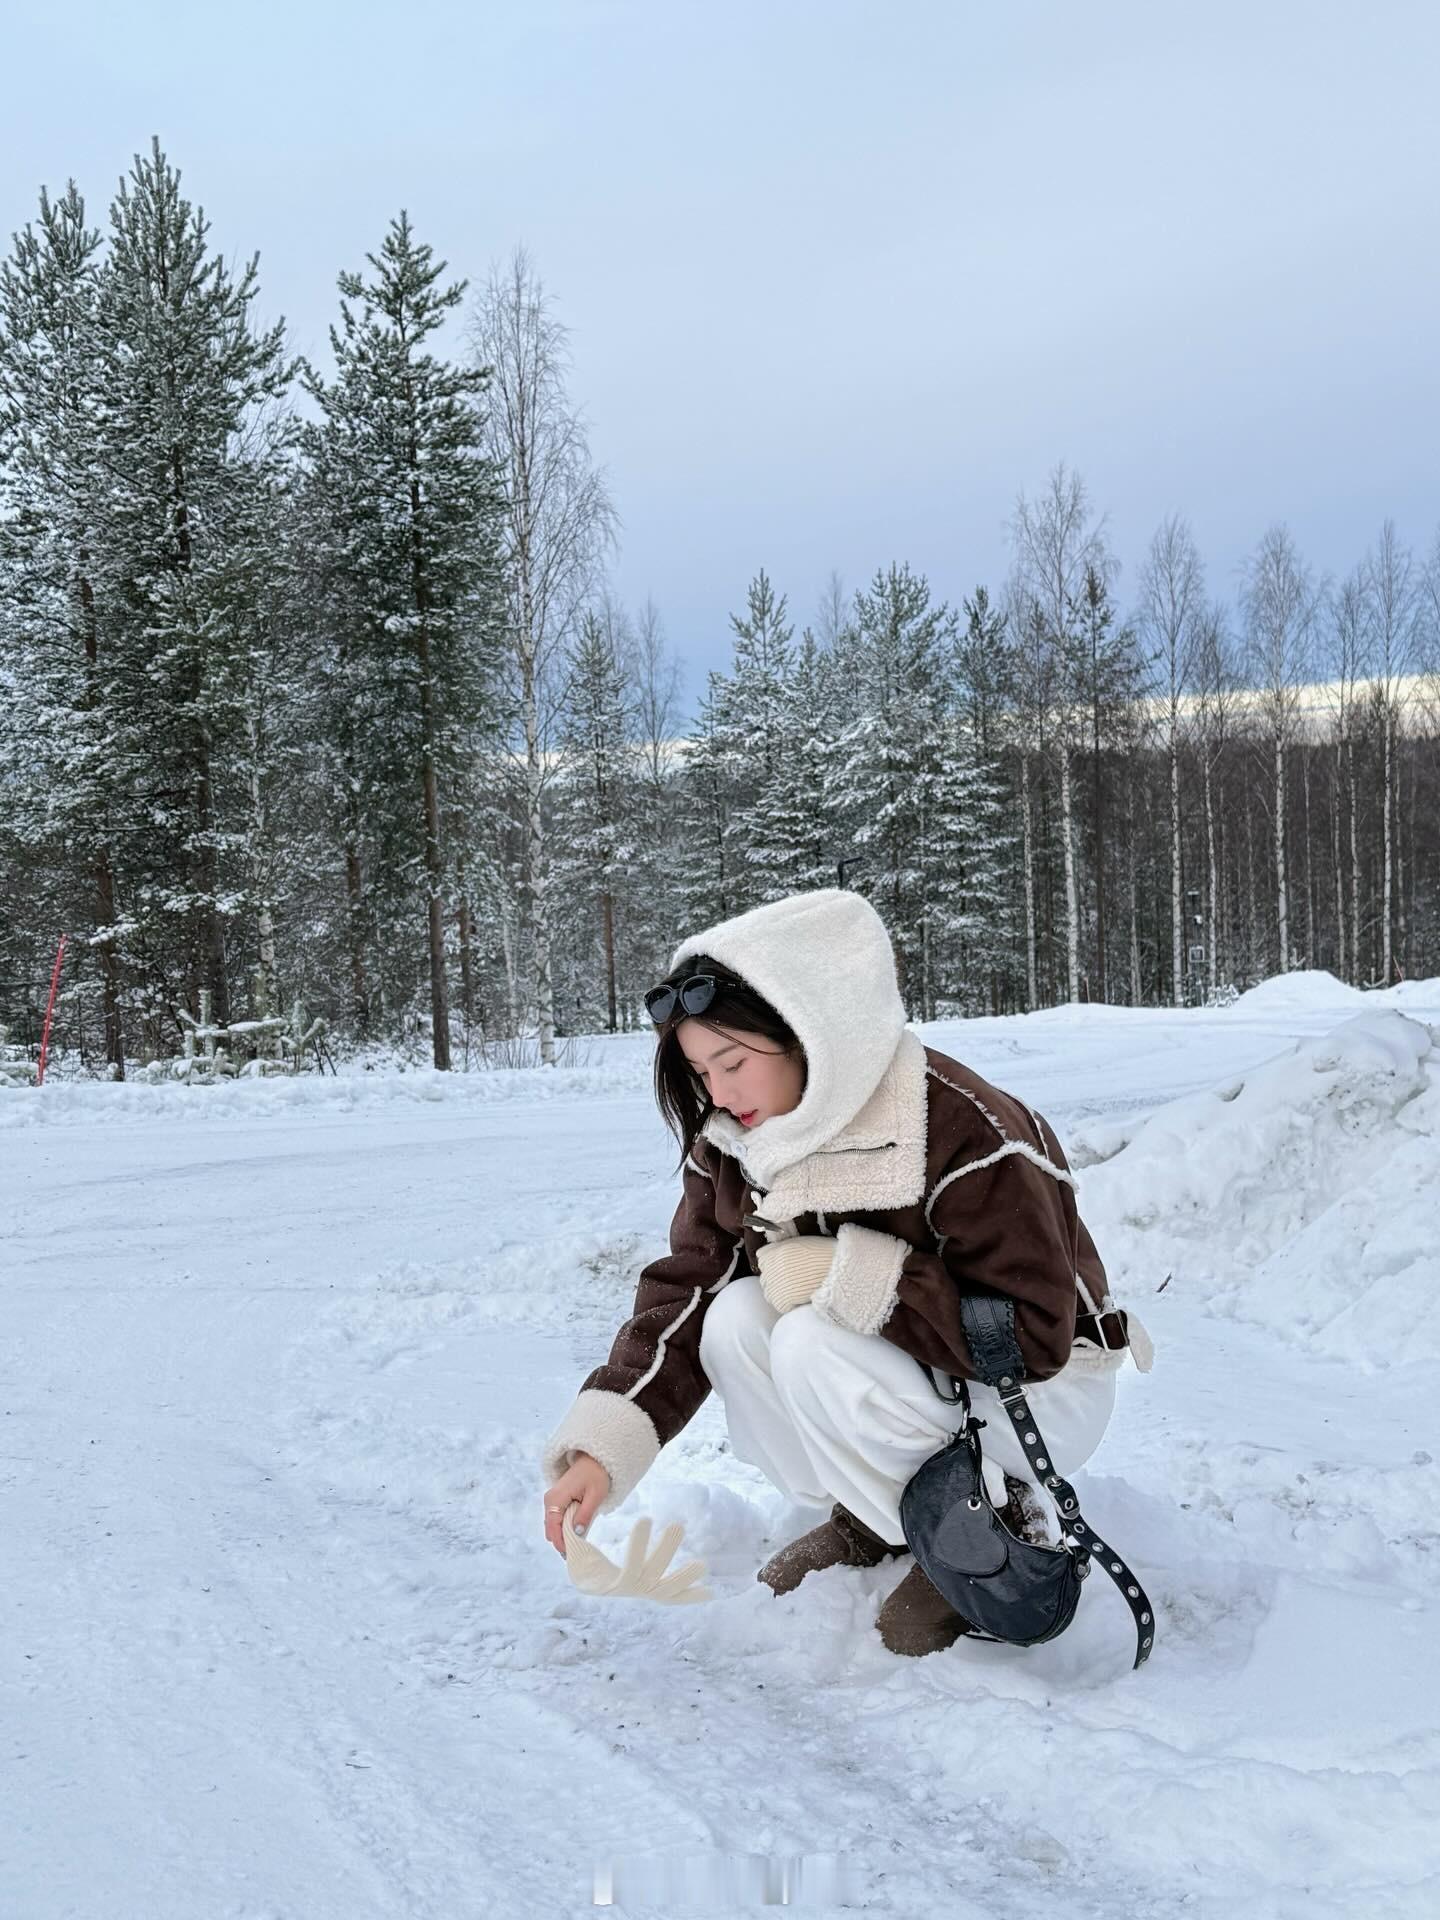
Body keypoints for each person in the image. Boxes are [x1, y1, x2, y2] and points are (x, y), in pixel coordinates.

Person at [539, 887, 1149, 1656]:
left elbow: (1032, 1337)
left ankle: (990, 1523)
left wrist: (853, 1276)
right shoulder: (735, 1141)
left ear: (807, 1032)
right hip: (923, 1378)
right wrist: (604, 1448)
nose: (719, 1094)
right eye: (699, 1071)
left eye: (734, 1062)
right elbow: (688, 1292)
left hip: (1039, 1396)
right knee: (735, 1319)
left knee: (808, 1339)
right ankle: (876, 1518)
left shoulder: (960, 1126)